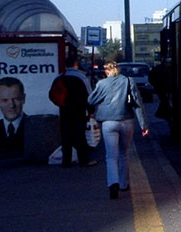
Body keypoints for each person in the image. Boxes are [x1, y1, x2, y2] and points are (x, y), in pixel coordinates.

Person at [87, 61, 149, 199]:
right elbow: (138, 104)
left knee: (111, 156)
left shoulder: (102, 84)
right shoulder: (129, 81)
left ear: (107, 71)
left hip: (108, 123)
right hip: (127, 121)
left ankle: (113, 184)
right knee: (124, 154)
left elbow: (91, 100)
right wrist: (144, 125)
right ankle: (124, 184)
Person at [50, 54, 97, 168]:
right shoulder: (81, 77)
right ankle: (83, 160)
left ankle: (66, 161)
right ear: (76, 64)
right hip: (79, 110)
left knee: (66, 136)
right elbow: (89, 96)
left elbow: (52, 95)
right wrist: (91, 110)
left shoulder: (59, 77)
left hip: (64, 110)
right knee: (80, 135)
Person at [0, 76, 27, 157]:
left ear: (23, 98)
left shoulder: (35, 127)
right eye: (5, 100)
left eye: (16, 99)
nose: (11, 105)